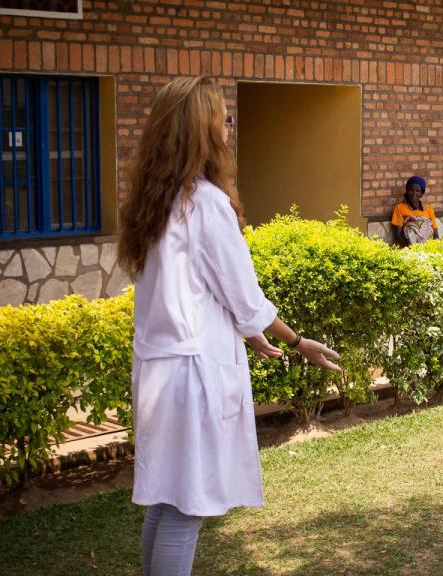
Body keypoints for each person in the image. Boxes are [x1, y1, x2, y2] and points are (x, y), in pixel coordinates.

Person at [117, 76, 341, 576]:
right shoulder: (206, 204)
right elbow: (243, 297)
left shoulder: (153, 202)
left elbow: (201, 290)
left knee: (167, 500)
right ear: (204, 131)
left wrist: (252, 331)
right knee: (188, 505)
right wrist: (297, 341)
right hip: (193, 377)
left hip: (161, 371)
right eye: (225, 118)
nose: (229, 128)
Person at [391, 176, 439, 246]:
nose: (413, 194)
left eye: (417, 191)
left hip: (427, 248)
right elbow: (398, 236)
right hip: (409, 249)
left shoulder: (429, 209)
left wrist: (434, 248)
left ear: (421, 194)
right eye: (411, 190)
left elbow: (435, 234)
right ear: (407, 191)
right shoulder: (399, 208)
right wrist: (411, 250)